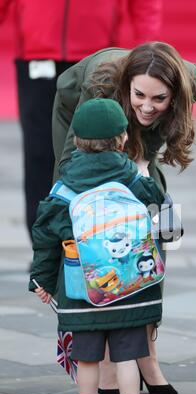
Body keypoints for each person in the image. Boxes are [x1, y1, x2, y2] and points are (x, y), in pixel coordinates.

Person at [52, 41, 196, 394]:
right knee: (92, 224)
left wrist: (140, 171)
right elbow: (72, 173)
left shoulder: (191, 81)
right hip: (82, 116)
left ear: (175, 95)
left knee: (153, 228)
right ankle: (105, 358)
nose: (149, 106)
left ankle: (146, 353)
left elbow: (150, 183)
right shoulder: (100, 87)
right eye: (141, 95)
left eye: (160, 99)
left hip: (138, 141)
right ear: (128, 86)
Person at [29, 97, 167, 394]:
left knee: (88, 358)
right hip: (134, 286)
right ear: (122, 139)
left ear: (76, 141)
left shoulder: (63, 190)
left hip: (82, 292)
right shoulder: (133, 181)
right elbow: (161, 207)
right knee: (128, 356)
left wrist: (41, 280)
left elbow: (45, 239)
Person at [0, 0, 163, 240]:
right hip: (38, 55)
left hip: (97, 59)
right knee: (39, 153)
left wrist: (147, 47)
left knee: (99, 150)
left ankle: (93, 237)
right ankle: (44, 241)